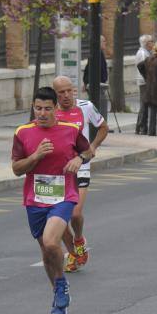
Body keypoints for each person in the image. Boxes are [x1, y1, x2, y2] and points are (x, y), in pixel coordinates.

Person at [11, 87, 92, 314]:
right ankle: (59, 288)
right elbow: (16, 169)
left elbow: (89, 152)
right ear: (33, 107)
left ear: (56, 108)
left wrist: (78, 158)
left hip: (63, 196)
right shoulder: (22, 132)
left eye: (47, 108)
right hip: (35, 199)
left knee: (50, 241)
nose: (42, 113)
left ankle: (61, 286)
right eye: (38, 108)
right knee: (47, 252)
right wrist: (35, 156)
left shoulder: (70, 130)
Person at [52, 76, 109, 272]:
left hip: (81, 164)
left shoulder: (86, 106)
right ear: (55, 94)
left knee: (75, 213)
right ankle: (74, 254)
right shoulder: (51, 112)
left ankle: (79, 239)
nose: (66, 95)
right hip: (59, 170)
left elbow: (103, 127)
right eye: (61, 92)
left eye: (69, 90)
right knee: (58, 217)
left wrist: (92, 146)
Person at [83, 35, 109, 120]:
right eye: (104, 41)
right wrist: (87, 82)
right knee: (95, 106)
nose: (106, 43)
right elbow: (91, 69)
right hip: (97, 85)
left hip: (98, 84)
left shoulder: (98, 53)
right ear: (99, 43)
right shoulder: (97, 53)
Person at [134, 34, 154, 134]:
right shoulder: (143, 53)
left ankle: (139, 127)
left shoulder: (146, 52)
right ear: (146, 43)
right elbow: (144, 68)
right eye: (151, 41)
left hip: (144, 81)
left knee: (144, 104)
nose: (153, 43)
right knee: (144, 105)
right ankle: (142, 127)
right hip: (144, 82)